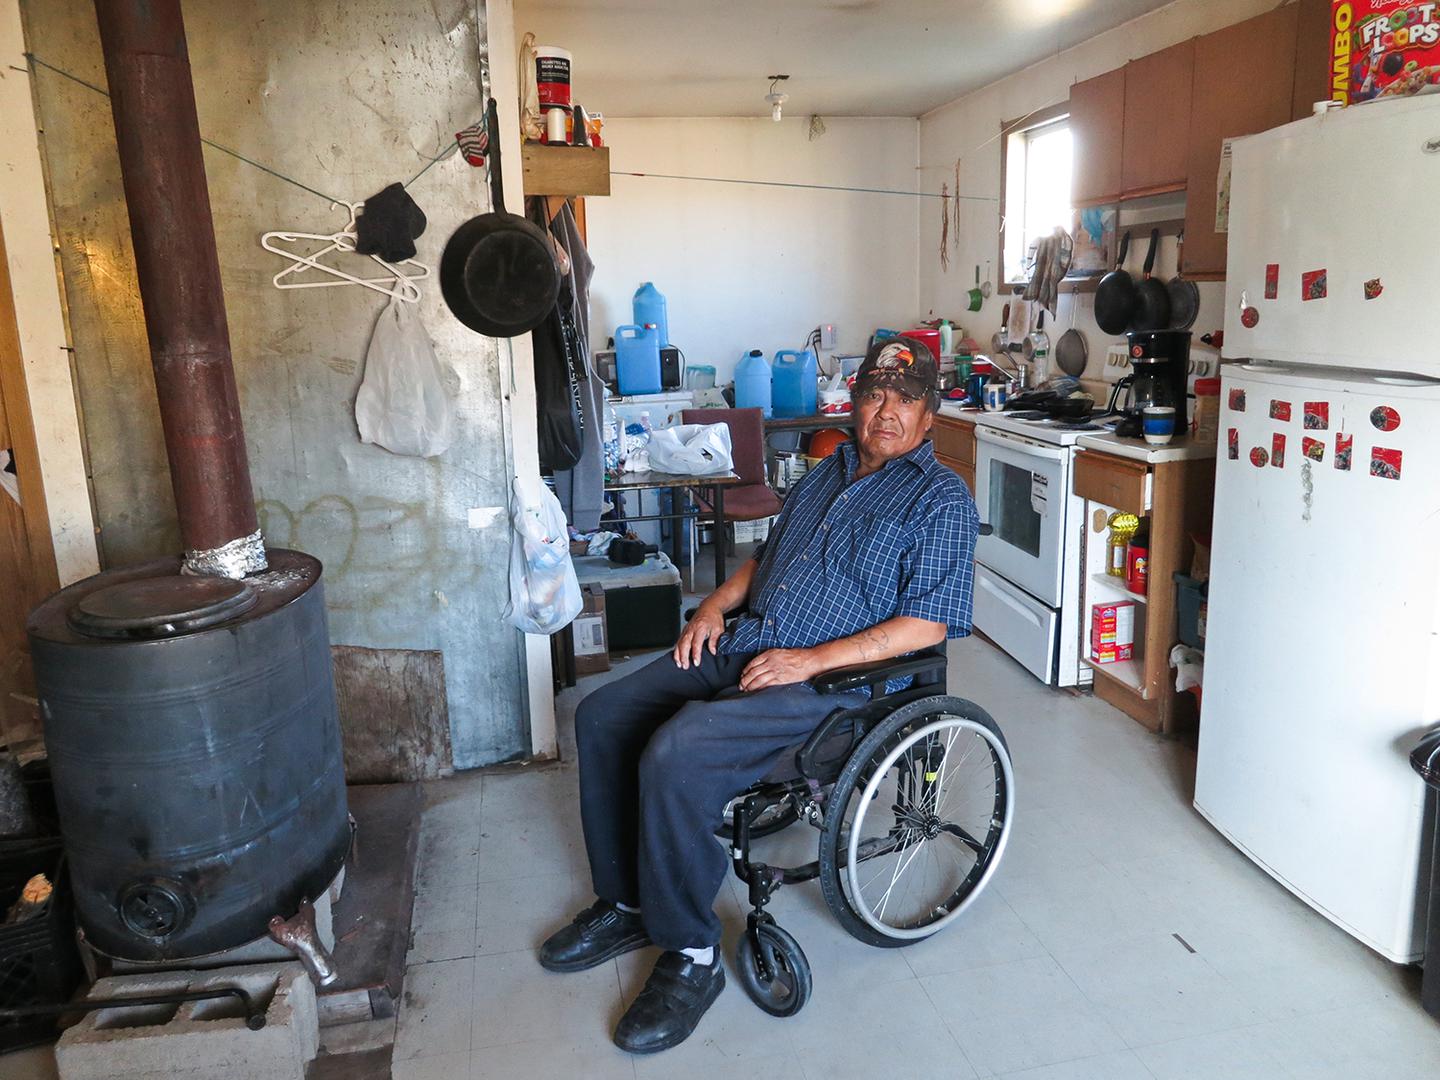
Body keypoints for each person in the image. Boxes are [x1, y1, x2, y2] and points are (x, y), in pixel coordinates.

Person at [539, 336, 980, 1054]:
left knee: (676, 754)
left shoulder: (939, 499)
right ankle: (627, 902)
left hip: (839, 685)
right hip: (751, 641)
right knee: (603, 715)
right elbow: (764, 561)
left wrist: (808, 661)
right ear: (855, 401)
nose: (886, 411)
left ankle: (693, 954)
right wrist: (714, 606)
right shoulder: (825, 468)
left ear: (929, 416)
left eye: (906, 399)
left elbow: (927, 623)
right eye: (875, 394)